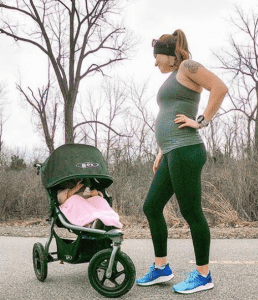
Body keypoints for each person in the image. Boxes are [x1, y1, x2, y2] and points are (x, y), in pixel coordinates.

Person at [136, 29, 228, 294]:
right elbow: (170, 114)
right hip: (172, 151)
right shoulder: (175, 76)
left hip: (187, 150)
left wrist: (201, 121)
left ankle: (203, 275)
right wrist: (162, 149)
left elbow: (219, 88)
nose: (155, 63)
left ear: (169, 55)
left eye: (157, 58)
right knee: (152, 207)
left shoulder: (188, 66)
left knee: (191, 212)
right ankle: (161, 267)